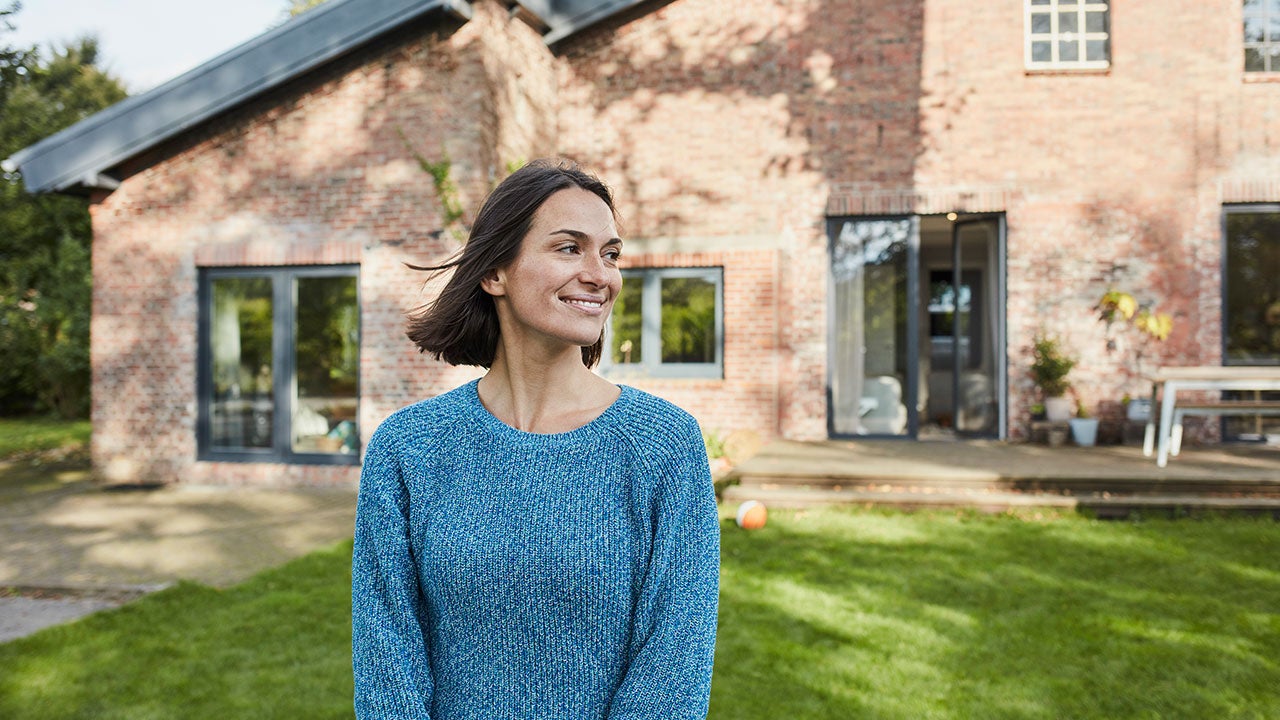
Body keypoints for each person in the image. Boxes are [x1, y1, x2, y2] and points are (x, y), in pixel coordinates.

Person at [351, 159, 721, 719]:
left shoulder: (663, 445)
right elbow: (387, 666)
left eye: (611, 253)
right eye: (569, 248)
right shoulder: (410, 448)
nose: (601, 274)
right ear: (495, 273)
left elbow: (673, 669)